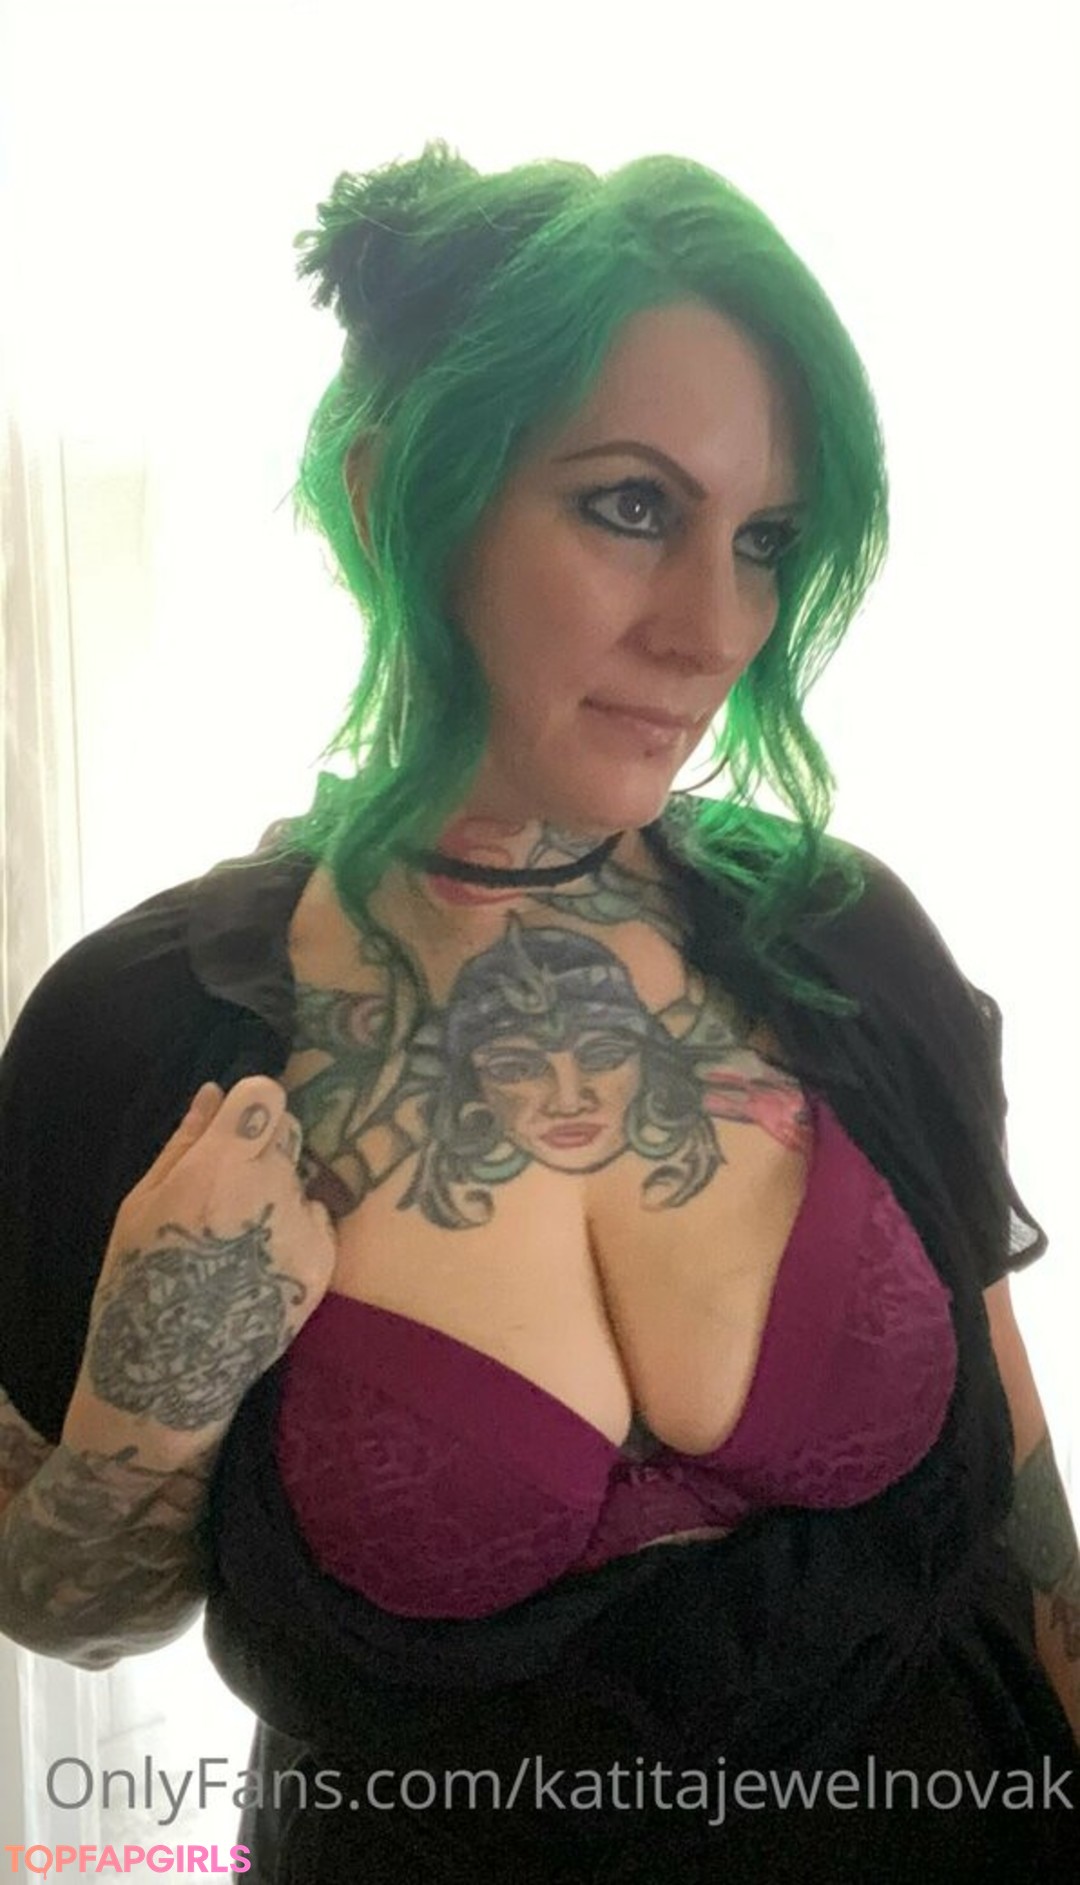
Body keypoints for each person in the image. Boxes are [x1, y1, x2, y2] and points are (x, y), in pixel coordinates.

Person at [0, 138, 1076, 1883]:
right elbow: (64, 1610)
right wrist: (153, 1397)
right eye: (631, 505)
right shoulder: (140, 1032)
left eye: (766, 539)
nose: (716, 628)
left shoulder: (842, 938)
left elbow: (1015, 1468)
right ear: (392, 498)